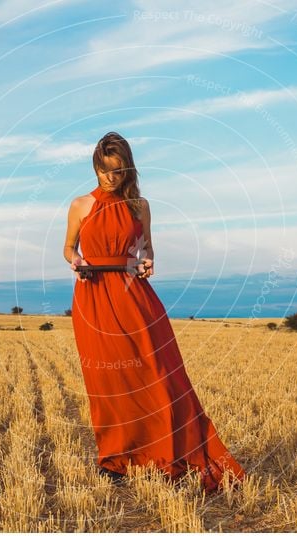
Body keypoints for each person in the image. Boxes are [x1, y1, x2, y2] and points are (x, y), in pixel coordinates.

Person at [62, 131, 246, 494]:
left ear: (127, 169)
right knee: (108, 383)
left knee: (158, 376)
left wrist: (147, 262)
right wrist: (77, 260)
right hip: (93, 296)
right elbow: (68, 248)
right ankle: (114, 460)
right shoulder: (81, 205)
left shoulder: (140, 206)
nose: (109, 178)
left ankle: (166, 454)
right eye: (103, 170)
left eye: (117, 171)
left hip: (135, 296)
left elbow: (147, 251)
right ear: (95, 168)